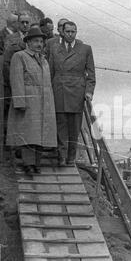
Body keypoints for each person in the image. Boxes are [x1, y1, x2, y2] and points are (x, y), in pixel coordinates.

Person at [6, 27, 57, 176]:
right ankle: (28, 164)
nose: (39, 44)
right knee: (28, 133)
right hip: (29, 101)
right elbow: (16, 80)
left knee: (40, 134)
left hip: (44, 102)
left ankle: (37, 163)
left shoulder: (44, 60)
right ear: (28, 42)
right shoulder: (19, 56)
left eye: (41, 41)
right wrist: (20, 102)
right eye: (35, 41)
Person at [48, 21, 96, 166]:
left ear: (76, 32)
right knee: (60, 124)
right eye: (67, 31)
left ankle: (71, 157)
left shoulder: (85, 49)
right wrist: (49, 91)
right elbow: (50, 72)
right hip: (59, 90)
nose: (70, 34)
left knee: (74, 126)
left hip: (77, 91)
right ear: (62, 31)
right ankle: (61, 156)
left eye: (73, 32)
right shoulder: (55, 48)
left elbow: (91, 75)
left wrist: (88, 92)